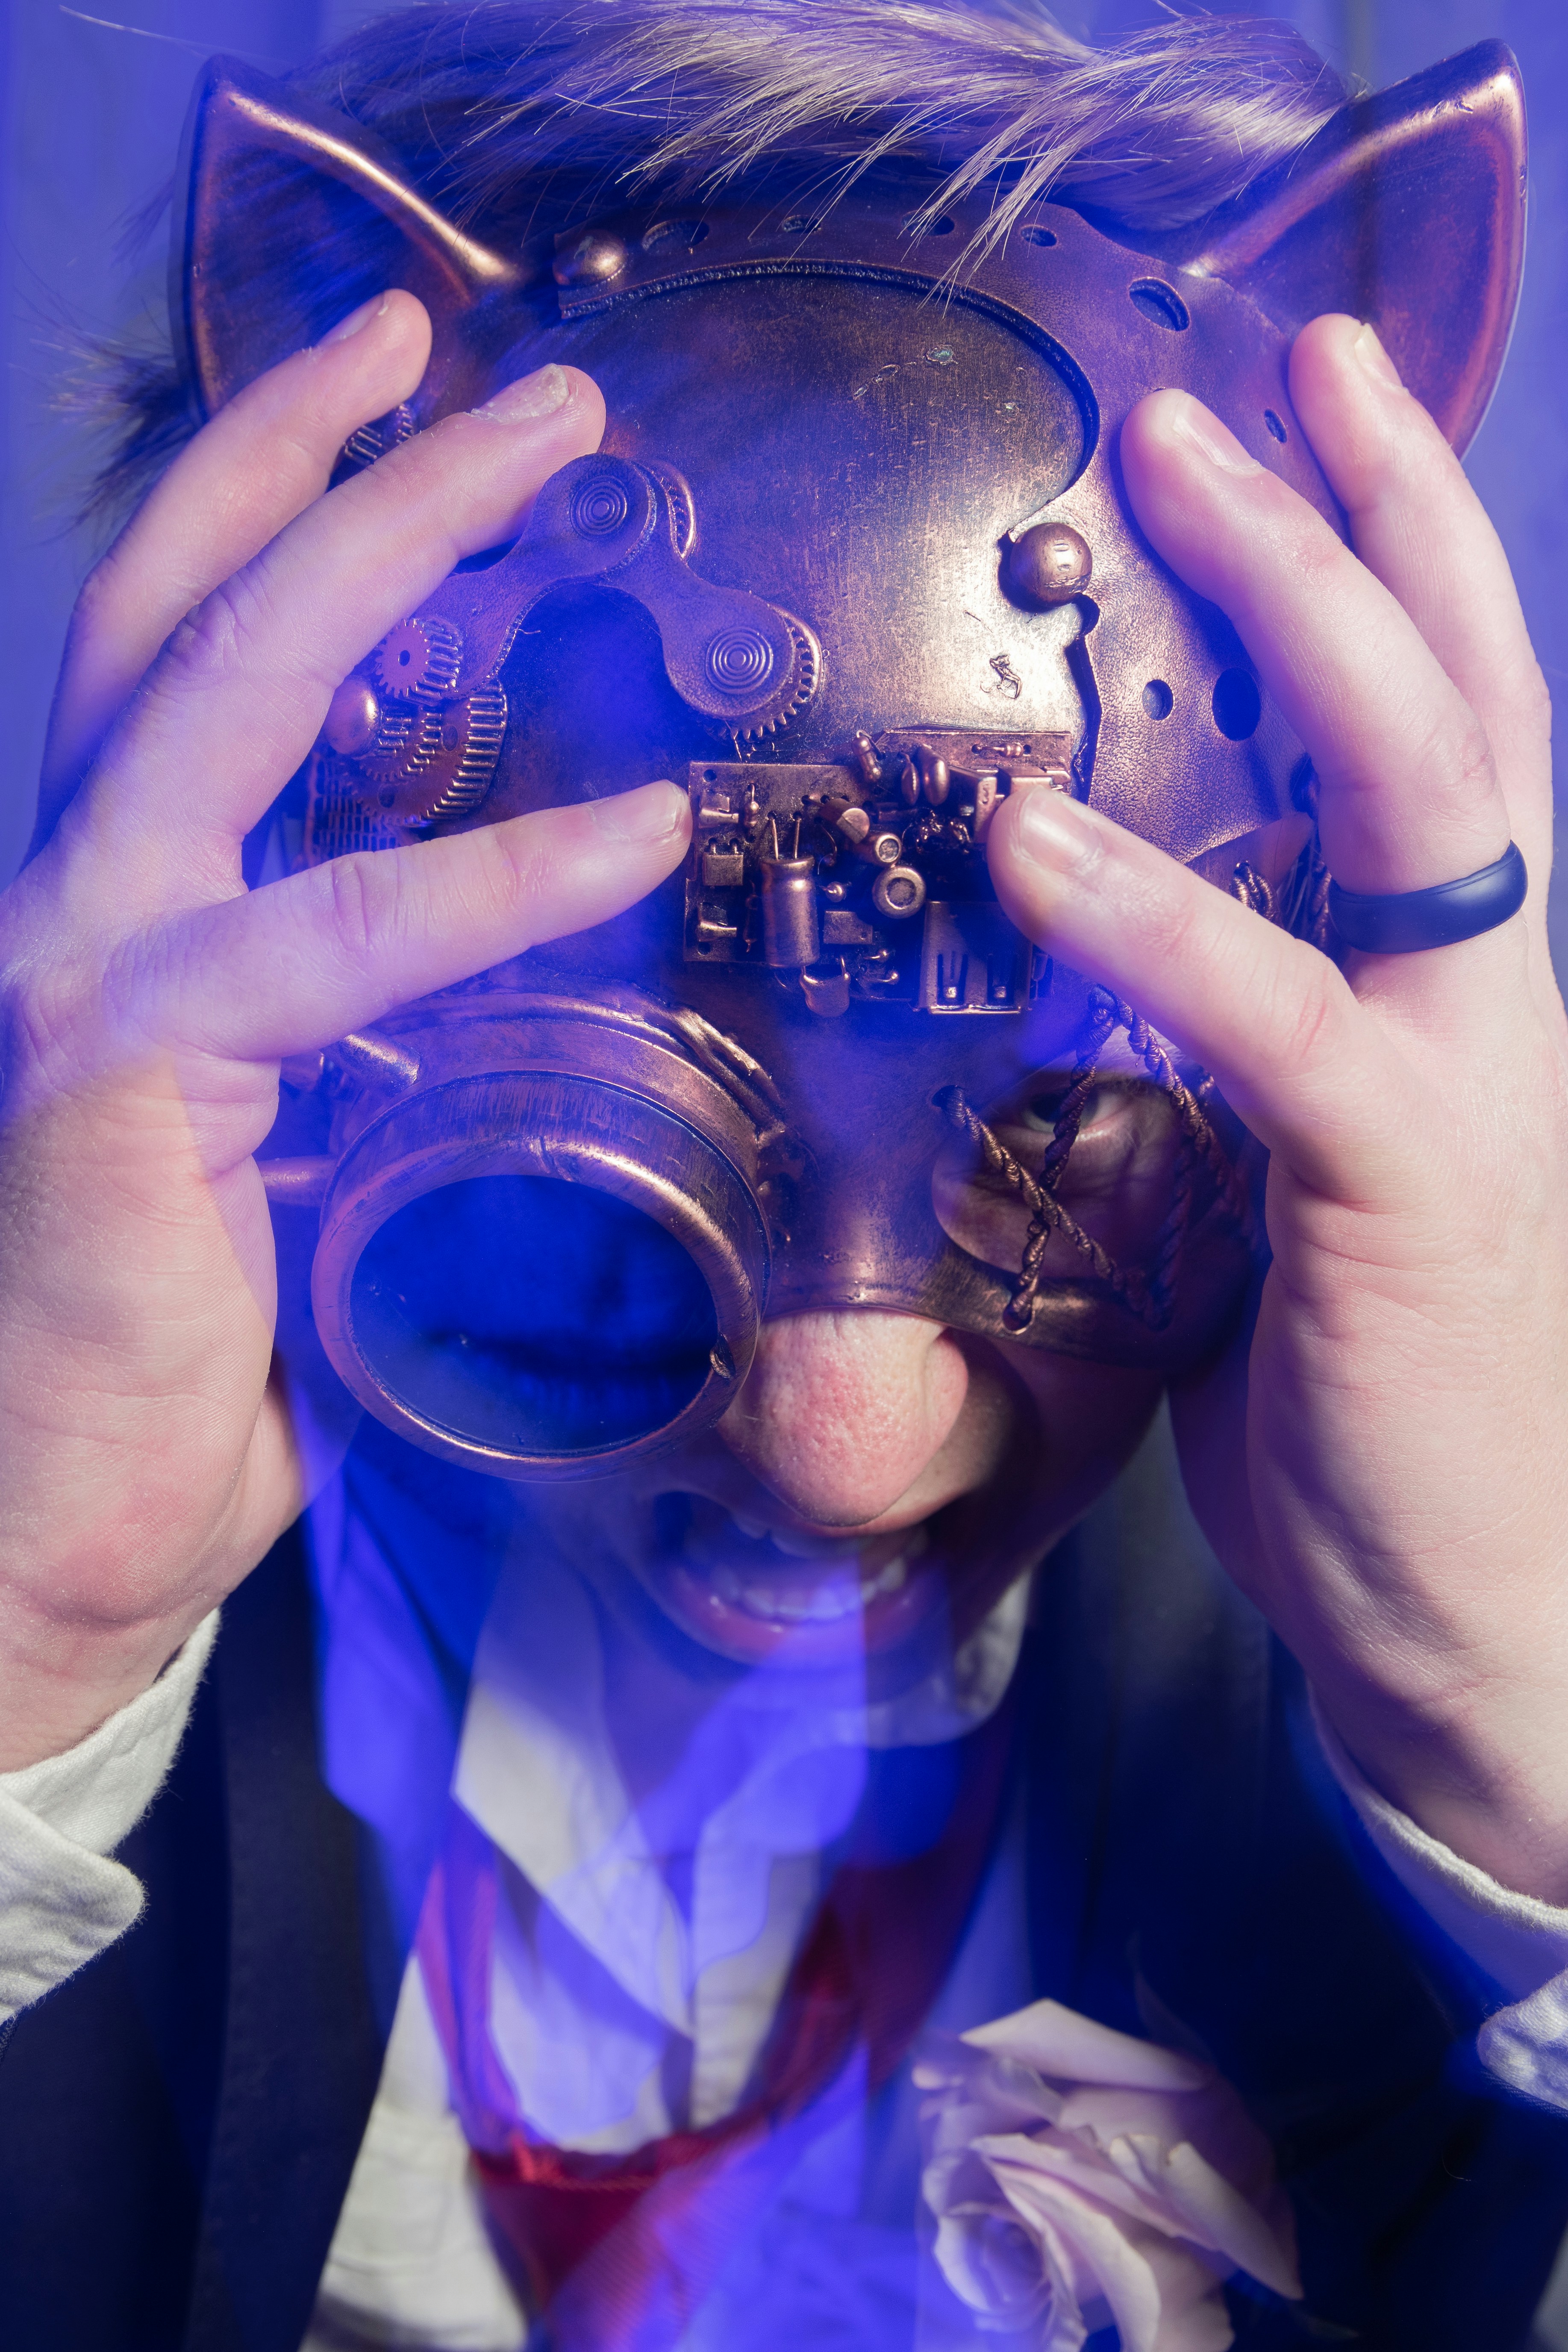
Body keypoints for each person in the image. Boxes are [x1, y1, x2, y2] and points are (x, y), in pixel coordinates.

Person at [3, 3, 1568, 2347]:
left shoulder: (1399, 1680)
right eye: (610, 1156)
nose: (841, 1460)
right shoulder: (78, 1543)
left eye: (1049, 1154)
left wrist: (1518, 1747)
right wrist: (23, 1637)